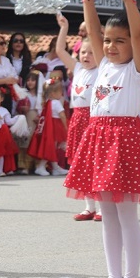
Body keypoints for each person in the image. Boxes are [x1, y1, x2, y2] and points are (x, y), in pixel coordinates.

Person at [64, 0, 140, 278]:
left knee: (127, 215)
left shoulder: (138, 70)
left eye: (120, 41)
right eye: (108, 40)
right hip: (98, 139)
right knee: (106, 213)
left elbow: (136, 33)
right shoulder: (103, 65)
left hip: (124, 141)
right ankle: (112, 277)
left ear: (136, 45)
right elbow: (92, 30)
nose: (110, 46)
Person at [56, 14, 101, 221]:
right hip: (77, 118)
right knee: (81, 163)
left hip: (94, 120)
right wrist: (64, 27)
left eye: (91, 52)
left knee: (96, 163)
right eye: (83, 52)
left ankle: (102, 208)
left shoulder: (102, 69)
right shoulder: (78, 68)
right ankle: (89, 207)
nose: (86, 56)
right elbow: (59, 51)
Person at [28, 78, 68, 176]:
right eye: (60, 92)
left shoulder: (47, 102)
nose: (61, 94)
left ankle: (55, 167)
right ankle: (41, 166)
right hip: (55, 127)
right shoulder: (56, 103)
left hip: (49, 127)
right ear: (53, 93)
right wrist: (66, 126)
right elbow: (62, 115)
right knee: (51, 148)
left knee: (52, 148)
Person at [14, 70, 41, 174]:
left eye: (33, 80)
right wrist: (22, 108)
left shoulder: (40, 94)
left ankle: (35, 165)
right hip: (27, 117)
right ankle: (24, 166)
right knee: (26, 140)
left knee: (36, 140)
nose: (30, 82)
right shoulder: (24, 93)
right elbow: (17, 106)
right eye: (28, 80)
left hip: (37, 119)